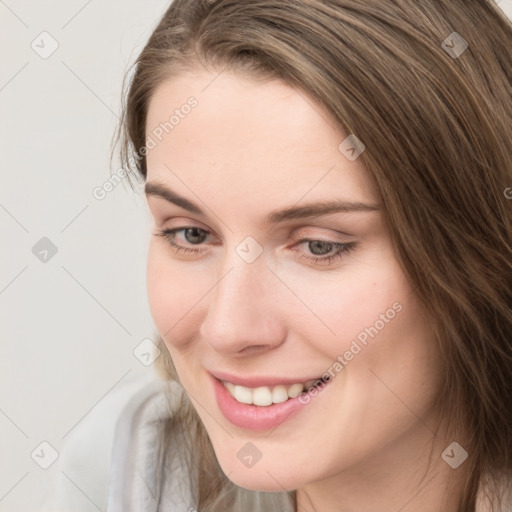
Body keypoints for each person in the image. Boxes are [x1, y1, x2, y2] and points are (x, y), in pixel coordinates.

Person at [45, 1, 512, 511]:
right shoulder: (130, 469)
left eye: (319, 246)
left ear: (483, 250)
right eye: (192, 235)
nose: (229, 329)